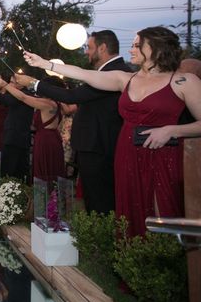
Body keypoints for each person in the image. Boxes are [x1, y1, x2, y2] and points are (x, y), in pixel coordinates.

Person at [23, 26, 201, 236]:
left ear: (155, 48)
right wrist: (45, 63)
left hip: (162, 155)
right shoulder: (125, 79)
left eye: (137, 45)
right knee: (127, 208)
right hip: (126, 153)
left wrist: (172, 130)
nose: (131, 49)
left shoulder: (184, 81)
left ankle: (161, 262)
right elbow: (83, 74)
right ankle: (128, 259)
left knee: (161, 208)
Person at [15, 30, 130, 213]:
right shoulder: (106, 72)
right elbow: (79, 75)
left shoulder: (115, 73)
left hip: (100, 147)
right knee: (93, 200)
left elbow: (72, 95)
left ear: (102, 48)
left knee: (101, 202)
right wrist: (44, 63)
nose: (86, 52)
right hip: (94, 146)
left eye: (89, 47)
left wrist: (34, 83)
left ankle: (104, 238)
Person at [0, 75, 71, 181]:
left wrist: (5, 85)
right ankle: (53, 194)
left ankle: (45, 194)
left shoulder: (47, 103)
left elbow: (23, 97)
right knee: (52, 168)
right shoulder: (58, 104)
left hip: (45, 140)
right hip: (53, 139)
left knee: (43, 169)